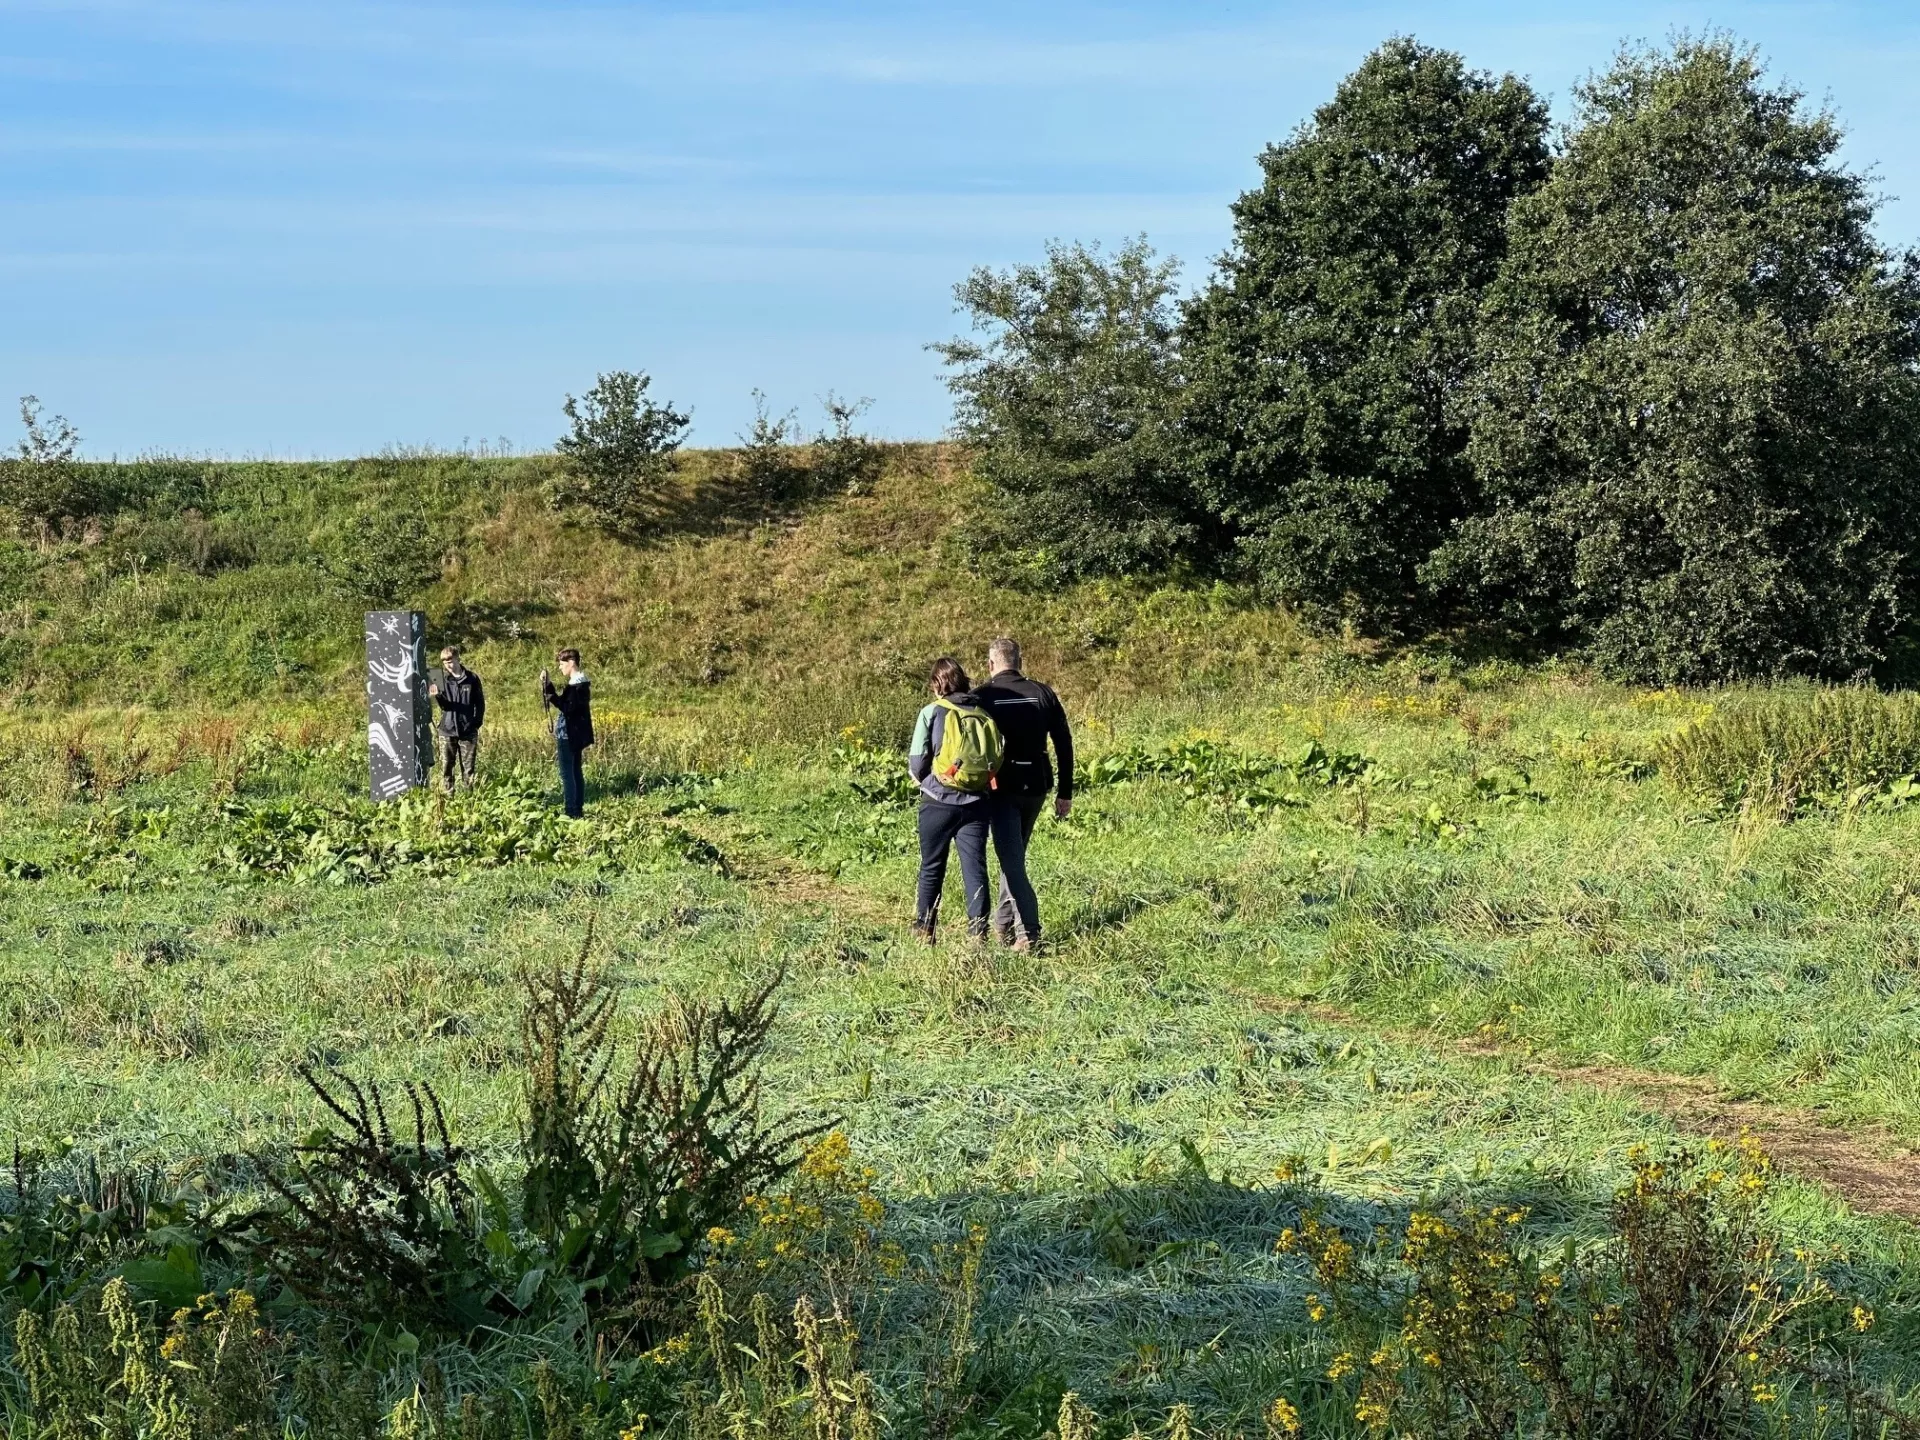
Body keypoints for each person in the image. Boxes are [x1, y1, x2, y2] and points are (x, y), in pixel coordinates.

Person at [973, 637, 1071, 949]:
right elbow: (1064, 743)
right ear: (1020, 661)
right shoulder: (1043, 692)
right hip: (1037, 785)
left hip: (1001, 787)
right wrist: (1065, 792)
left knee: (1012, 860)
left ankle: (1029, 932)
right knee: (1013, 856)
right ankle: (1004, 927)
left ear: (991, 664)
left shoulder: (983, 696)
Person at [907, 657, 998, 944]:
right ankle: (978, 934)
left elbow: (917, 763)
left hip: (937, 802)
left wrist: (929, 783)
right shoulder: (983, 712)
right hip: (977, 803)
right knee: (975, 868)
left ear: (937, 684)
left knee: (932, 866)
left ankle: (925, 930)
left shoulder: (932, 712)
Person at [541, 647, 594, 818]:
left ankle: (571, 811)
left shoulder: (576, 687)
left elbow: (567, 708)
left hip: (568, 734)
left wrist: (552, 696)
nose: (560, 667)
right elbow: (566, 704)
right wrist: (548, 686)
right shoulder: (580, 683)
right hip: (576, 733)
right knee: (576, 771)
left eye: (562, 664)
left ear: (571, 663)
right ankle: (577, 809)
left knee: (567, 774)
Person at [428, 645, 486, 792]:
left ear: (457, 658)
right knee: (447, 770)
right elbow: (445, 706)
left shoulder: (472, 678)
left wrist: (476, 723)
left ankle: (469, 801)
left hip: (468, 731)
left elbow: (480, 702)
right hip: (447, 730)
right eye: (444, 661)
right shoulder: (440, 678)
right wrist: (437, 696)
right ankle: (448, 800)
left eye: (450, 659)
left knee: (469, 771)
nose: (447, 663)